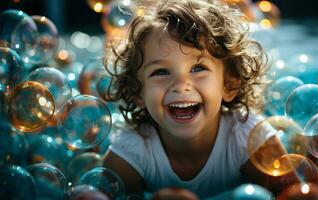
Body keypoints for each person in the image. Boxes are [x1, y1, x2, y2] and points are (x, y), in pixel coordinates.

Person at [102, 0, 270, 198]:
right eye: (161, 72)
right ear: (138, 92)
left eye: (198, 69)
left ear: (229, 84)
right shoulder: (130, 153)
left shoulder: (250, 140)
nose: (181, 84)